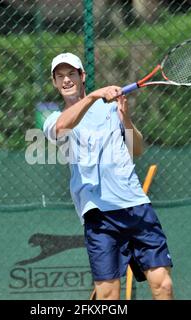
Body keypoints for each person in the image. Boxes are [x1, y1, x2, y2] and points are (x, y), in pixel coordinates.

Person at [43, 52, 174, 300]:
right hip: (99, 215)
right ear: (54, 83)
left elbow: (136, 149)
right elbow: (62, 128)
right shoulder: (54, 119)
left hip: (136, 207)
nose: (66, 80)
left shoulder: (112, 109)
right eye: (60, 76)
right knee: (107, 296)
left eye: (71, 74)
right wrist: (94, 96)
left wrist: (125, 118)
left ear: (82, 76)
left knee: (163, 285)